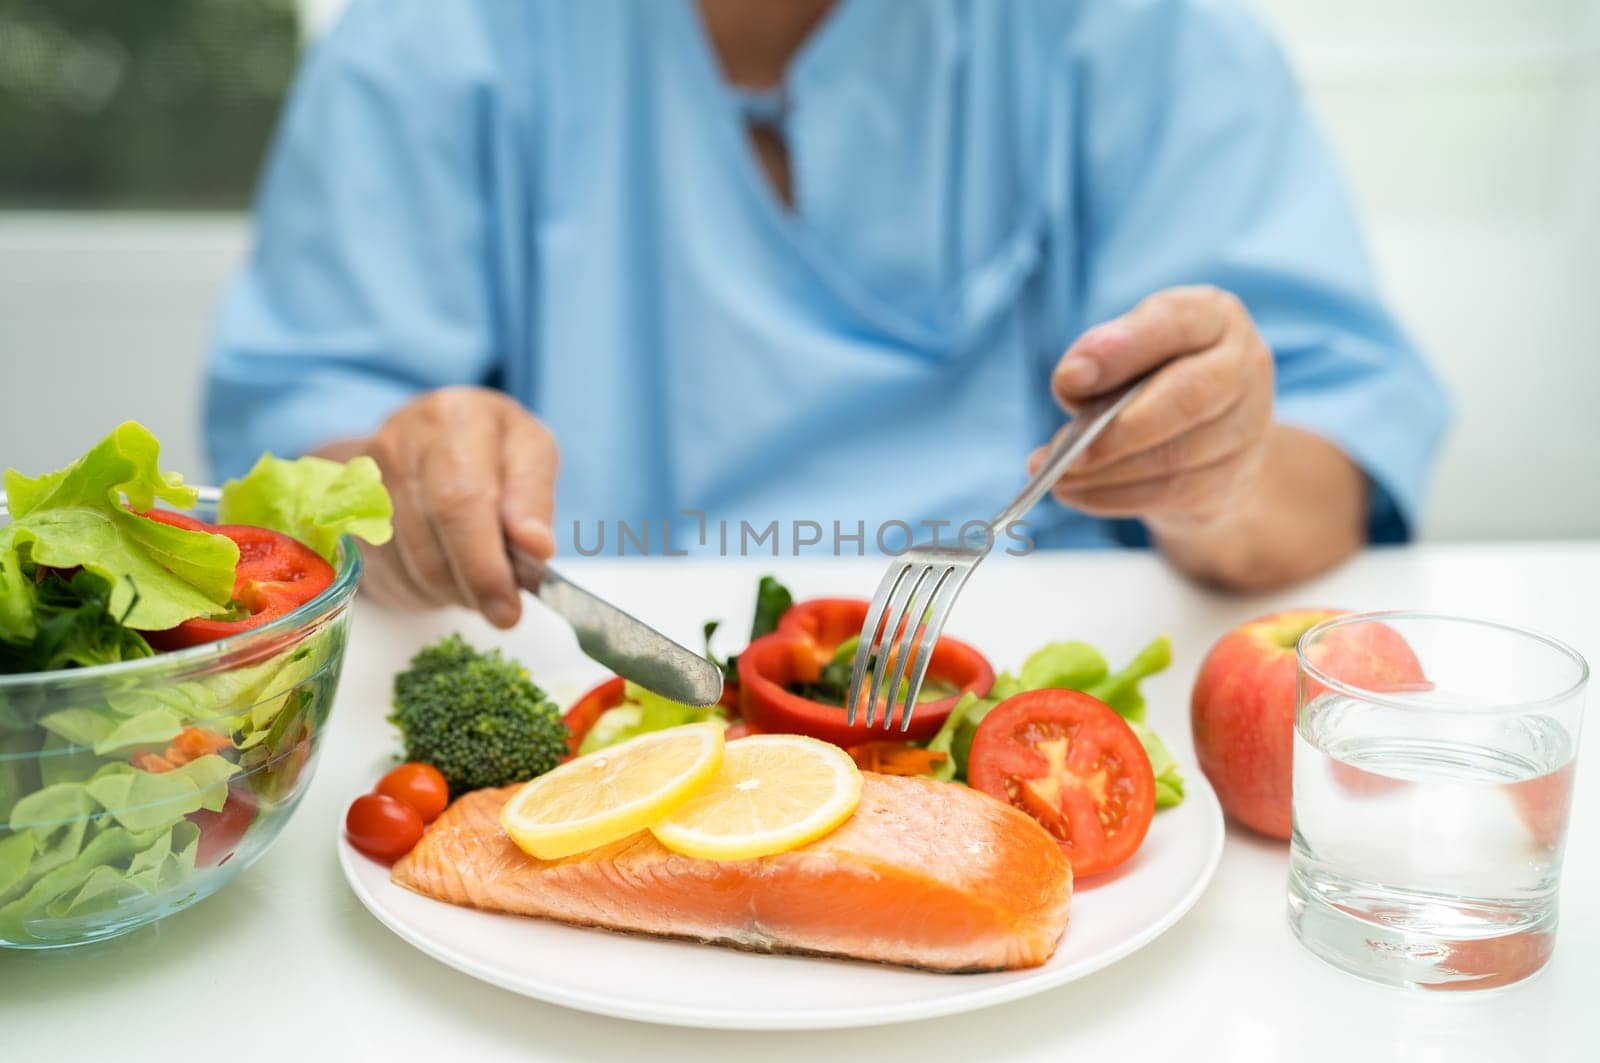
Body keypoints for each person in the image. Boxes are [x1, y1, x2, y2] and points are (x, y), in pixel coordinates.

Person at [207, 0, 1448, 630]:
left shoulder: (1136, 32)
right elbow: (299, 462)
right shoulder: (435, 37)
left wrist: (1214, 472)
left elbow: (1329, 463)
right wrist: (397, 479)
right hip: (560, 663)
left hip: (1053, 681)